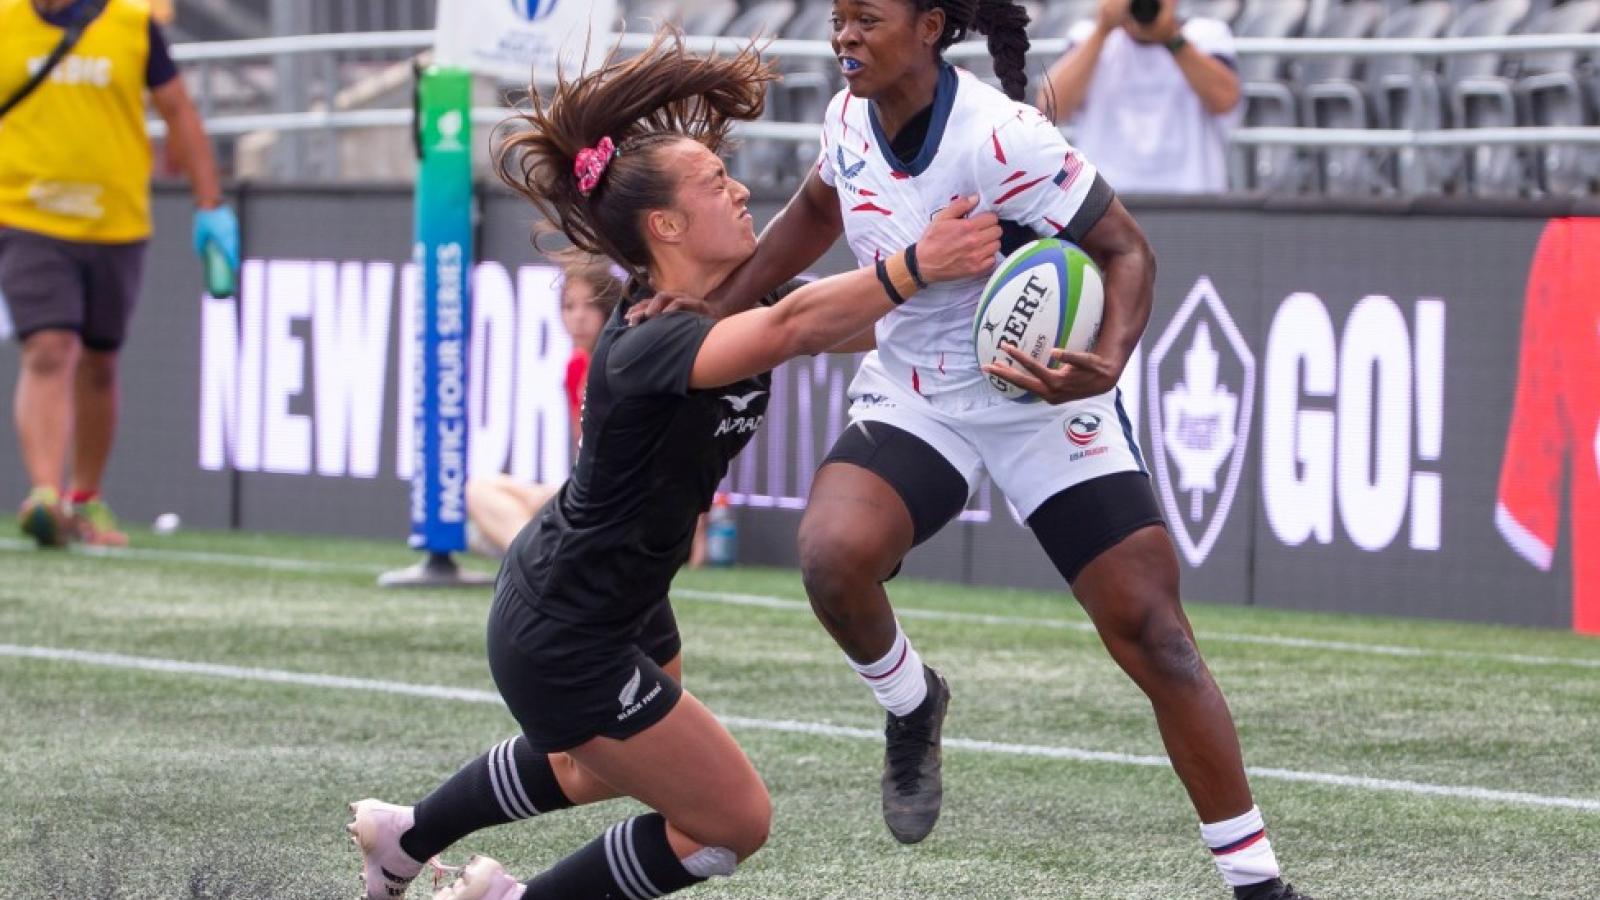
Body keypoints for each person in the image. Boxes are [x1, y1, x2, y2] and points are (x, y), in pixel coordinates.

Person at [346, 32, 1001, 900]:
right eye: (713, 183)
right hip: (565, 631)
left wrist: (980, 318)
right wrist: (918, 265)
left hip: (621, 599)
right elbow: (796, 330)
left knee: (595, 773)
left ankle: (406, 836)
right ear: (665, 226)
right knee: (732, 823)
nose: (739, 189)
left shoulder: (728, 300)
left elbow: (828, 318)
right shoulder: (649, 337)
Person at [703, 2, 1312, 898]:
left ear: (928, 26)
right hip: (917, 391)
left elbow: (1127, 251)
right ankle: (913, 704)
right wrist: (710, 308)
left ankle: (1256, 881)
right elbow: (809, 216)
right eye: (836, 19)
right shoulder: (844, 118)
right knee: (832, 556)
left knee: (1155, 634)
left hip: (1039, 396)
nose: (843, 37)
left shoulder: (1003, 136)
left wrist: (1103, 363)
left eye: (864, 20)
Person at [0, 0, 239, 546]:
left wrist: (211, 205)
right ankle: (45, 496)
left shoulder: (133, 25)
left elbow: (178, 110)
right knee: (50, 347)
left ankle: (85, 499)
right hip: (24, 216)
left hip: (115, 223)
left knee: (101, 361)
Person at [465, 255, 624, 558]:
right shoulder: (577, 365)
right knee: (482, 490)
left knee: (488, 502)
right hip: (585, 491)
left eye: (590, 305)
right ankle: (539, 552)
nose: (578, 316)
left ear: (609, 308)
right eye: (569, 306)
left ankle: (537, 557)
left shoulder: (621, 361)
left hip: (619, 501)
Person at [1037, 0, 1242, 194]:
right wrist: (1103, 29)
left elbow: (1225, 101)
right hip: (1108, 205)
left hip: (1190, 200)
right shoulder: (1088, 37)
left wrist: (1172, 38)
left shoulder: (1206, 36)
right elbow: (1052, 107)